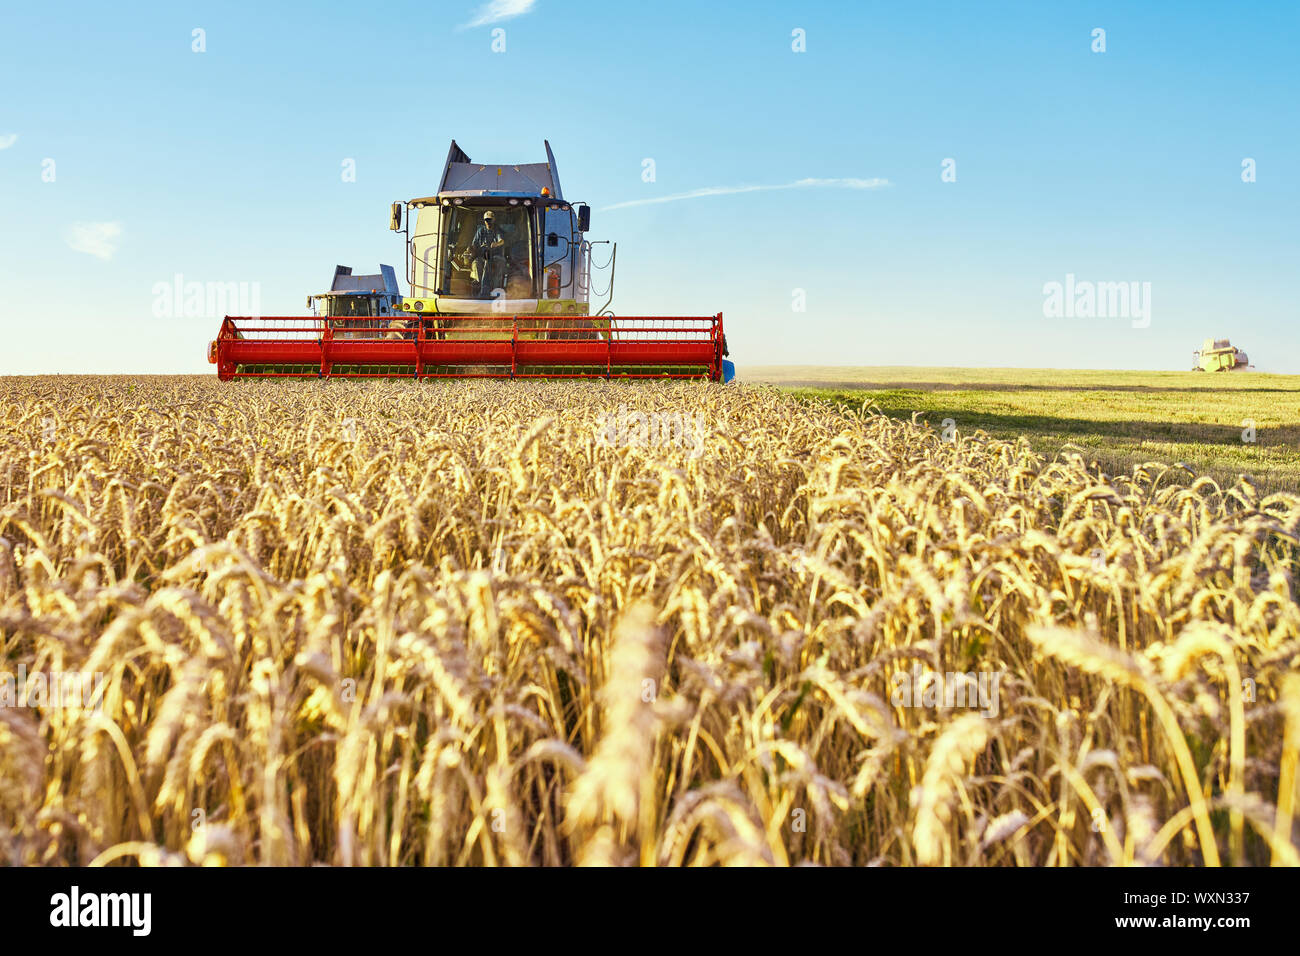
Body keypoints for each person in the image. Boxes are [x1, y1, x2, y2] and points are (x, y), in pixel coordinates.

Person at [469, 210, 506, 297]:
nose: (488, 222)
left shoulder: (497, 230)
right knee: (476, 263)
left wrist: (496, 244)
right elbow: (474, 244)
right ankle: (480, 287)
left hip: (495, 255)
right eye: (486, 220)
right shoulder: (480, 230)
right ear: (484, 221)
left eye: (490, 220)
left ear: (494, 220)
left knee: (500, 262)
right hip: (482, 256)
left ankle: (496, 288)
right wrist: (471, 250)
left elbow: (501, 241)